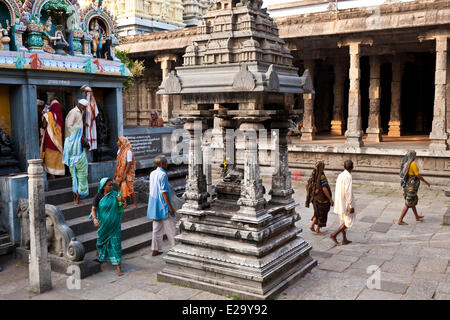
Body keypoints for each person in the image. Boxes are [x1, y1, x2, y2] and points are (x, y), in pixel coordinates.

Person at [89, 177, 127, 276]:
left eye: (111, 184)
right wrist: (95, 219)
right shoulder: (98, 196)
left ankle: (119, 267)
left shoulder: (115, 194)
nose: (111, 186)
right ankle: (101, 256)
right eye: (109, 185)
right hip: (103, 225)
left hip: (115, 225)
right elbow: (93, 209)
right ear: (103, 187)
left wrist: (122, 200)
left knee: (116, 244)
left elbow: (124, 206)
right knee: (101, 241)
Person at [147, 155, 176, 256]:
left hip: (154, 205)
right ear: (162, 164)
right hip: (163, 204)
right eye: (166, 162)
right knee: (171, 228)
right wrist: (170, 208)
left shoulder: (152, 173)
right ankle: (175, 248)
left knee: (156, 228)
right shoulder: (163, 175)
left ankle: (155, 249)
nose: (167, 164)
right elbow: (164, 193)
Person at [398, 150, 430, 225]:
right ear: (412, 156)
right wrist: (426, 182)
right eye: (415, 155)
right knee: (408, 203)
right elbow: (418, 175)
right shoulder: (413, 164)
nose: (415, 157)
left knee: (413, 201)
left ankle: (417, 217)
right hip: (412, 185)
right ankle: (400, 220)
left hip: (407, 184)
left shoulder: (406, 163)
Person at [330, 160, 355, 245]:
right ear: (352, 167)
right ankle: (334, 234)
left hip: (339, 201)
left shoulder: (340, 175)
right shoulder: (348, 176)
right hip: (345, 203)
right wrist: (351, 205)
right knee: (348, 222)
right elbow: (348, 192)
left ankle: (344, 239)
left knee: (342, 221)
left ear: (344, 167)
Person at [305, 161, 334, 235]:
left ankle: (312, 226)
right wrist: (330, 199)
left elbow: (307, 185)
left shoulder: (313, 175)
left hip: (314, 198)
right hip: (322, 199)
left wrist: (310, 193)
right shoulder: (321, 176)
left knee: (317, 212)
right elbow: (324, 188)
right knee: (322, 214)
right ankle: (317, 230)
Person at [63, 126, 89, 205]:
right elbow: (88, 147)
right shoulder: (81, 140)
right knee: (81, 181)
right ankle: (78, 199)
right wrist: (86, 140)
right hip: (81, 162)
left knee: (74, 180)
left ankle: (75, 199)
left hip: (71, 162)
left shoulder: (67, 140)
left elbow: (66, 152)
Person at [40, 99, 65, 179]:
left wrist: (44, 116)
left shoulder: (48, 114)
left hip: (49, 137)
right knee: (58, 155)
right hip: (58, 139)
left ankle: (51, 174)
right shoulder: (60, 115)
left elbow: (44, 125)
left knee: (49, 155)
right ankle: (59, 173)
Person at [114, 137, 137, 209]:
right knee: (122, 187)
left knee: (130, 188)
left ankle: (135, 203)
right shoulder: (119, 151)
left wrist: (124, 174)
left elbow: (129, 163)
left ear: (122, 142)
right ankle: (124, 203)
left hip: (128, 173)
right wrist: (115, 172)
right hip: (120, 172)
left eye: (119, 141)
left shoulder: (128, 151)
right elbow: (117, 163)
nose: (117, 142)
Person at [81, 85, 99, 152]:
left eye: (85, 92)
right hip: (88, 119)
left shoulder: (91, 101)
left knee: (90, 130)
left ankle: (91, 145)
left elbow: (93, 112)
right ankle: (89, 145)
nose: (85, 94)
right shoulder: (89, 101)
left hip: (90, 120)